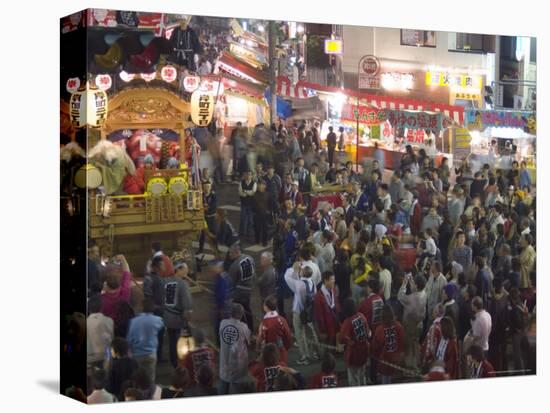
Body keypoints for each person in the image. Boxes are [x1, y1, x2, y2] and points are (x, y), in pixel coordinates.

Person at [284, 263, 320, 365]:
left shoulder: (298, 285)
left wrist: (293, 268)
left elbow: (286, 277)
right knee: (311, 333)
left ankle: (305, 357)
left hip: (299, 312)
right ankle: (316, 353)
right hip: (309, 312)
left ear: (302, 273)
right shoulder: (313, 283)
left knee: (300, 335)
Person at [162, 258, 193, 369]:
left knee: (172, 342)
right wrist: (188, 320)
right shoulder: (182, 284)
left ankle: (174, 363)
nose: (187, 272)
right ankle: (183, 364)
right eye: (185, 270)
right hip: (179, 318)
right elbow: (187, 305)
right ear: (178, 270)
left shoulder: (165, 281)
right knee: (183, 341)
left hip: (167, 316)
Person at [126, 298, 165, 384]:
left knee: (138, 378)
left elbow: (129, 339)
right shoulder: (157, 320)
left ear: (142, 307)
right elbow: (162, 326)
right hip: (151, 353)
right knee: (151, 378)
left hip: (137, 354)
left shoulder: (134, 321)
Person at [219, 303, 251, 395]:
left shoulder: (222, 323)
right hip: (238, 365)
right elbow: (249, 342)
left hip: (224, 363)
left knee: (223, 387)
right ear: (241, 314)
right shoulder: (243, 327)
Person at [397, 274, 427, 370]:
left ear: (417, 285)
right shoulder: (424, 293)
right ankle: (417, 363)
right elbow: (415, 290)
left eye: (414, 282)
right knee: (416, 343)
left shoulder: (411, 298)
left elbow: (400, 296)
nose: (412, 283)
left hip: (410, 325)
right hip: (420, 324)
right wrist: (411, 281)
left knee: (409, 346)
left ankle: (410, 367)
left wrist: (404, 283)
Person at [339, 298, 370, 386]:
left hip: (354, 353)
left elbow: (341, 339)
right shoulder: (362, 315)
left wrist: (348, 341)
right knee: (362, 374)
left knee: (353, 377)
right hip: (364, 349)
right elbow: (368, 333)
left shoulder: (347, 322)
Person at [371, 304, 405, 384]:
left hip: (384, 358)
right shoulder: (398, 326)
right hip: (395, 356)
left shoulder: (379, 329)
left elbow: (375, 346)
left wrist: (373, 354)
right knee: (389, 376)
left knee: (385, 378)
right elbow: (401, 342)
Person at [227, 244, 256, 333]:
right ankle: (251, 328)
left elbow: (231, 282)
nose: (229, 256)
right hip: (249, 288)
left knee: (239, 311)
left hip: (239, 291)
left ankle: (244, 330)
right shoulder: (250, 258)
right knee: (247, 309)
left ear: (235, 253)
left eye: (230, 254)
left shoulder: (234, 266)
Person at [257, 295, 293, 365]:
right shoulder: (282, 319)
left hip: (268, 354)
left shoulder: (264, 322)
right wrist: (286, 347)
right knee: (282, 371)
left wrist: (258, 349)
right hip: (281, 351)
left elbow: (260, 338)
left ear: (265, 307)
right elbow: (288, 335)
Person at [100, 256, 132, 325]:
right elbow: (127, 273)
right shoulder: (125, 292)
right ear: (119, 284)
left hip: (108, 327)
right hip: (123, 326)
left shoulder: (101, 299)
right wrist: (123, 258)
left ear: (106, 285)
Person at [313, 271, 341, 347]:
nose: (334, 281)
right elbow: (319, 316)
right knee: (328, 346)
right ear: (325, 281)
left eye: (334, 279)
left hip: (335, 323)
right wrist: (322, 331)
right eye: (332, 279)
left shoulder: (333, 290)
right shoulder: (319, 297)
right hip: (327, 327)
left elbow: (336, 304)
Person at [87, 296, 114, 368]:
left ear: (89, 309)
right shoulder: (109, 320)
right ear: (101, 308)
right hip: (106, 355)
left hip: (90, 355)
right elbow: (111, 338)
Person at [253, 180, 273, 246]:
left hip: (265, 215)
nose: (261, 186)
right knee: (257, 228)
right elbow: (252, 204)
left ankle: (265, 242)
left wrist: (269, 211)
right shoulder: (255, 194)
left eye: (263, 185)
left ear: (265, 186)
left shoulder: (268, 194)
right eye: (260, 184)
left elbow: (271, 204)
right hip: (257, 214)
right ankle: (257, 240)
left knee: (265, 229)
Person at [239, 170, 256, 239]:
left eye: (250, 174)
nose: (248, 176)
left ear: (252, 176)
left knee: (250, 220)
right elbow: (240, 193)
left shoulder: (254, 183)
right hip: (244, 203)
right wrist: (248, 193)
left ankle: (249, 233)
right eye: (247, 174)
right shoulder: (241, 182)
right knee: (243, 219)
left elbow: (253, 193)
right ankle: (242, 233)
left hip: (251, 204)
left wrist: (245, 191)